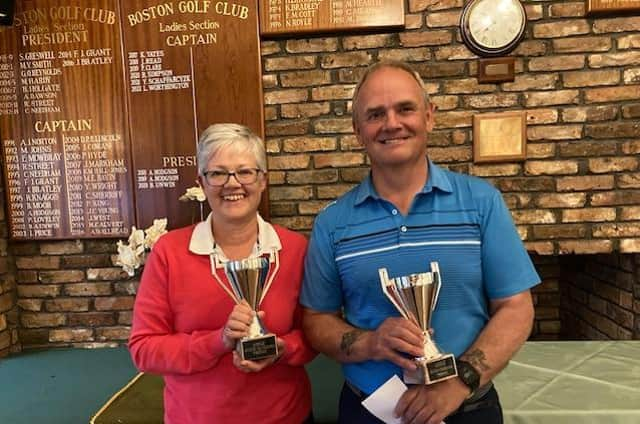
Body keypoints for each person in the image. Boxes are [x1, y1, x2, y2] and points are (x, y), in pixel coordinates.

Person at [300, 61, 540, 424]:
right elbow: (317, 320)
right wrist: (371, 343)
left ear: (429, 116)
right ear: (357, 130)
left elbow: (516, 307)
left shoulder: (481, 202)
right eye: (375, 114)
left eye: (405, 108)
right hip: (369, 411)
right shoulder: (332, 223)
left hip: (468, 408)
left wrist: (459, 382)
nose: (391, 123)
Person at [129, 123, 316, 424]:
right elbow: (144, 349)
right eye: (217, 173)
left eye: (245, 171)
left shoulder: (295, 250)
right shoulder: (169, 252)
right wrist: (219, 340)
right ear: (201, 183)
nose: (233, 184)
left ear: (263, 180)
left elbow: (314, 334)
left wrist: (283, 349)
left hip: (285, 416)